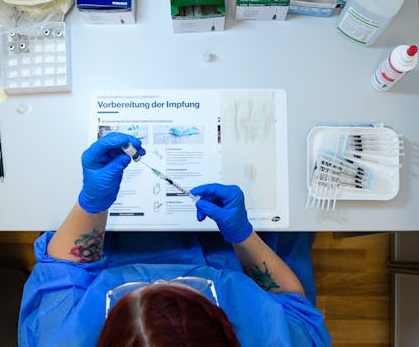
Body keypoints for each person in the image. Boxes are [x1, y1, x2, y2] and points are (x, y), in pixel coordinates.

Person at [19, 133, 331, 346]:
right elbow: (293, 304)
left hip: (112, 256)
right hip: (233, 266)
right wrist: (243, 236)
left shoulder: (60, 338)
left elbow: (62, 271)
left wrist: (93, 203)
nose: (158, 280)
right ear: (225, 326)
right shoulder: (275, 337)